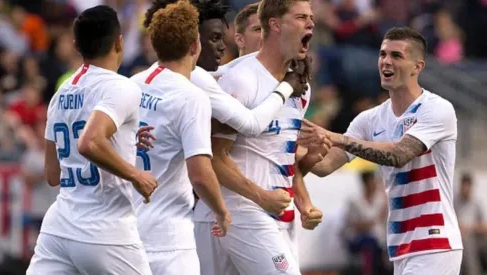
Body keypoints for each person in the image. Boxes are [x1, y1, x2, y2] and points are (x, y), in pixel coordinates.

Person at [298, 27, 463, 275]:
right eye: (382, 54)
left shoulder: (437, 109)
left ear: (417, 66)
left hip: (434, 241)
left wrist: (336, 137)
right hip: (400, 246)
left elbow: (398, 154)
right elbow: (325, 166)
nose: (386, 61)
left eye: (396, 55)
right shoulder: (369, 120)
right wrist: (285, 146)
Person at [141, 0, 308, 224]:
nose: (222, 46)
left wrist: (289, 55)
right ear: (194, 44)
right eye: (214, 38)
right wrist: (287, 85)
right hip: (173, 218)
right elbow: (252, 125)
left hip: (143, 208)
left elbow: (223, 70)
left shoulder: (142, 80)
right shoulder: (195, 86)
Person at [193, 0, 326, 274]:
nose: (311, 23)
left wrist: (304, 202)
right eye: (301, 17)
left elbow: (280, 157)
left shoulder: (300, 87)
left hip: (274, 213)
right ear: (275, 25)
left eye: (311, 17)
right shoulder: (241, 80)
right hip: (240, 210)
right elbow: (213, 158)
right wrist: (261, 197)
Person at [27, 5, 157, 275]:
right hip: (104, 230)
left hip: (59, 229)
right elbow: (89, 142)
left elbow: (53, 174)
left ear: (76, 45)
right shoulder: (121, 86)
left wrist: (125, 139)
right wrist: (136, 175)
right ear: (119, 41)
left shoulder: (62, 91)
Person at [131, 2, 231, 275]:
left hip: (127, 232)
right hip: (169, 240)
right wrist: (222, 211)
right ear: (195, 46)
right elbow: (199, 174)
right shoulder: (191, 97)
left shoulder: (133, 83)